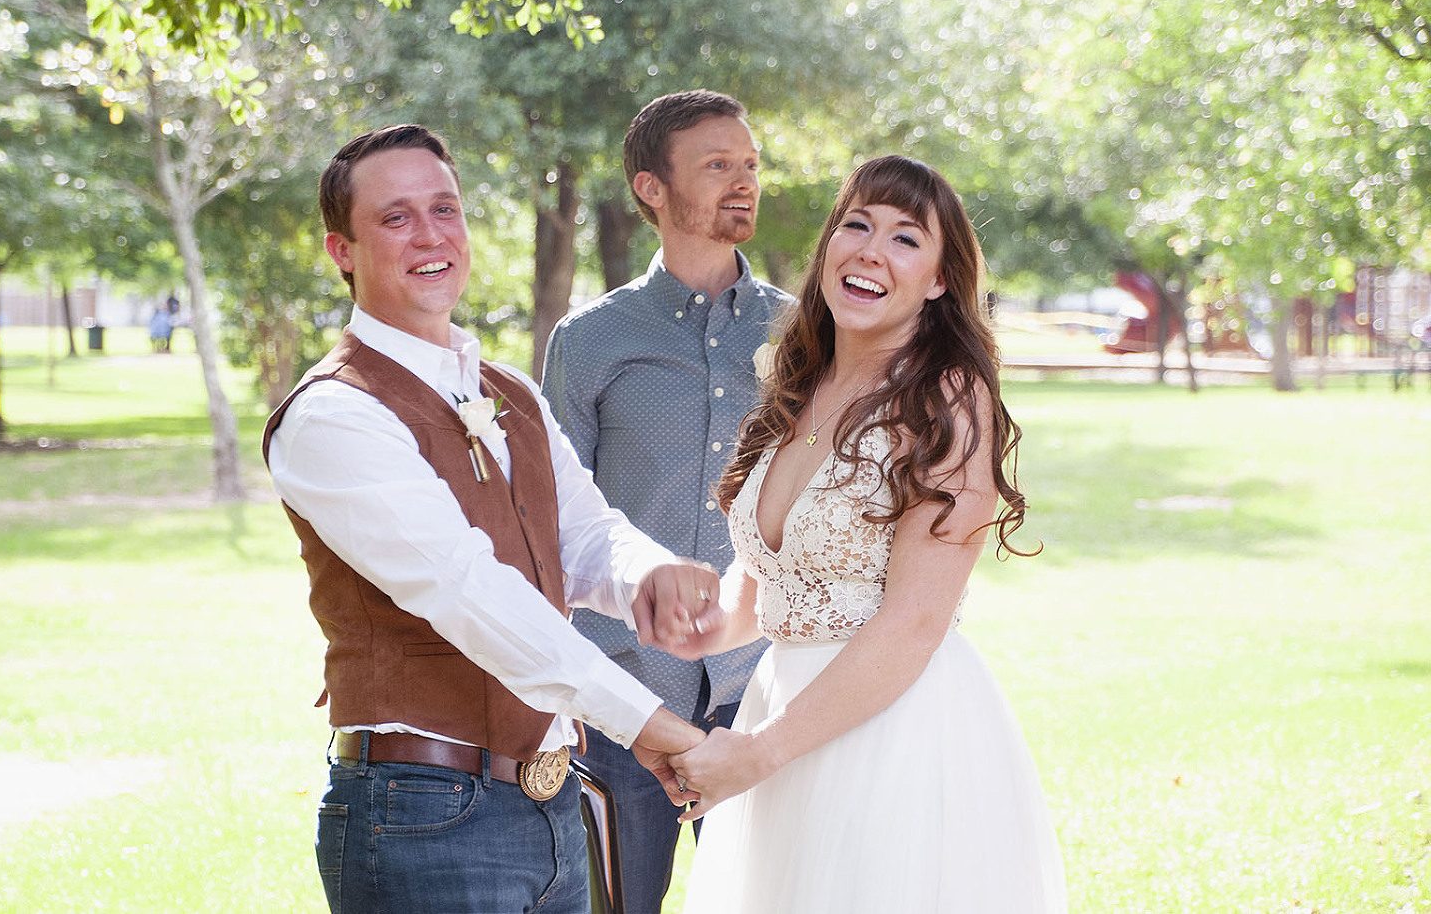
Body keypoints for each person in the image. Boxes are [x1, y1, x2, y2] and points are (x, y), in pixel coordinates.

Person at [262, 124, 724, 914]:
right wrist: (645, 721)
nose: (431, 234)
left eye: (445, 209)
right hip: (419, 816)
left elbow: (583, 531)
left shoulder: (509, 391)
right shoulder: (334, 415)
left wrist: (647, 574)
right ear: (342, 250)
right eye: (396, 217)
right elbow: (470, 593)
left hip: (549, 804)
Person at [667, 154, 1068, 913]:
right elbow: (763, 594)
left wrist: (758, 754)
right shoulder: (799, 386)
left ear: (941, 280)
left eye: (906, 238)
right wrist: (680, 621)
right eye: (856, 224)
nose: (871, 250)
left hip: (895, 736)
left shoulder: (948, 401)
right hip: (782, 721)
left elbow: (914, 622)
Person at [541, 90, 792, 914]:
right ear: (653, 189)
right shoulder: (590, 340)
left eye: (749, 164)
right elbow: (552, 524)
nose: (743, 181)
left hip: (757, 694)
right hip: (623, 698)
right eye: (717, 165)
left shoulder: (805, 340)